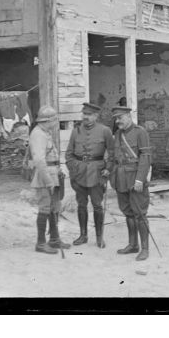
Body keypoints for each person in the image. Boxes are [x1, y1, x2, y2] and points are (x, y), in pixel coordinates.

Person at [66, 102, 114, 248]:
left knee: (97, 206)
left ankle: (99, 237)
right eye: (83, 114)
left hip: (97, 173)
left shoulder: (105, 131)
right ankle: (83, 235)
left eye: (88, 115)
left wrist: (108, 169)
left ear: (95, 116)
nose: (84, 117)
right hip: (79, 173)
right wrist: (73, 170)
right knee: (81, 205)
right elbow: (69, 154)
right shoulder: (75, 131)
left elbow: (112, 153)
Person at [108, 106, 152, 261]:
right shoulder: (118, 134)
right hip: (121, 178)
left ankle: (145, 249)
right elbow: (115, 157)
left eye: (120, 118)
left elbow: (145, 157)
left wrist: (140, 179)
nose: (117, 121)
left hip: (135, 178)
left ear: (128, 116)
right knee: (128, 212)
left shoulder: (141, 132)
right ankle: (133, 245)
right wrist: (110, 172)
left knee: (140, 213)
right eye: (116, 118)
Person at [29, 105, 70, 254]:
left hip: (53, 174)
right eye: (54, 120)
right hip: (44, 177)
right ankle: (40, 243)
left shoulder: (45, 132)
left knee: (54, 208)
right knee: (45, 209)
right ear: (49, 120)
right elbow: (39, 160)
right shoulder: (38, 134)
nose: (56, 123)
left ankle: (54, 239)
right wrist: (48, 181)